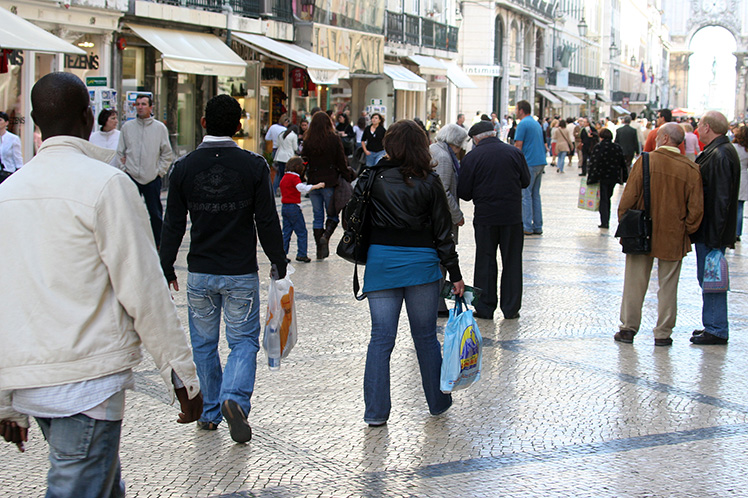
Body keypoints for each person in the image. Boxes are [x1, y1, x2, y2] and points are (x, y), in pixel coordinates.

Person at [0, 72, 202, 495]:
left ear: (36, 122)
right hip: (87, 382)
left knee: (101, 484)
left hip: (33, 379)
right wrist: (181, 373)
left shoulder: (8, 193)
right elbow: (144, 287)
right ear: (89, 118)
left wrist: (6, 400)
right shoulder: (107, 185)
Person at [160, 94, 288, 443]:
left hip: (200, 271)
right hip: (240, 271)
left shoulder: (183, 168)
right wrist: (279, 260)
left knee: (203, 343)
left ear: (203, 123)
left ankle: (211, 410)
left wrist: (166, 264)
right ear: (238, 127)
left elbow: (172, 223)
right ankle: (235, 397)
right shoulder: (253, 166)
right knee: (243, 341)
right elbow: (266, 219)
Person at [349, 119, 464, 427]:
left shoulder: (372, 177)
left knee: (381, 339)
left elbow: (351, 215)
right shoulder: (430, 181)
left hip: (382, 262)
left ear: (389, 144)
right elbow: (444, 233)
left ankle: (375, 412)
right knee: (426, 337)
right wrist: (454, 274)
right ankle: (438, 402)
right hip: (422, 266)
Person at [614, 123, 704, 346]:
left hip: (642, 232)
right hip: (674, 234)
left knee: (635, 282)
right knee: (668, 285)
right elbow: (696, 209)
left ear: (663, 138)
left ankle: (628, 328)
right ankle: (663, 333)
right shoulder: (691, 169)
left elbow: (628, 199)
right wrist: (686, 229)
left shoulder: (645, 162)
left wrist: (626, 225)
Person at [458, 120, 531, 320]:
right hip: (512, 217)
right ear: (494, 133)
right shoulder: (514, 153)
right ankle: (511, 308)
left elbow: (464, 193)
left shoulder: (472, 157)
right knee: (512, 261)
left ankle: (484, 307)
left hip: (485, 218)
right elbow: (525, 181)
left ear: (476, 139)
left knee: (485, 261)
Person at [690, 111, 741, 345]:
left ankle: (716, 328)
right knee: (710, 278)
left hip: (712, 230)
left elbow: (721, 199)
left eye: (700, 125)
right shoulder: (720, 150)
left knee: (712, 278)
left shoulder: (719, 154)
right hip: (712, 229)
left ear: (708, 127)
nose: (697, 129)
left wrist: (716, 238)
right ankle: (712, 324)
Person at [116, 94, 173, 247]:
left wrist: (159, 171)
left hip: (151, 177)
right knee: (129, 212)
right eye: (138, 104)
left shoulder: (159, 128)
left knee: (155, 213)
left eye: (143, 104)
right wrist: (124, 170)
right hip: (131, 176)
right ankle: (129, 243)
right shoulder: (127, 127)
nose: (140, 107)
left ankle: (158, 244)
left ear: (150, 107)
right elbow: (120, 152)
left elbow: (167, 153)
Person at [303, 111, 353, 259]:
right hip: (329, 181)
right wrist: (346, 175)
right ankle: (325, 236)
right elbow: (341, 160)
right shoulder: (333, 139)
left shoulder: (308, 139)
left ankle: (320, 249)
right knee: (332, 213)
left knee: (317, 215)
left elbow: (304, 159)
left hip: (313, 181)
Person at [430, 123, 468, 316]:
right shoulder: (444, 158)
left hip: (434, 216)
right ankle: (437, 303)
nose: (461, 149)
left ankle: (437, 301)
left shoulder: (434, 149)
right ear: (454, 142)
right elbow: (444, 191)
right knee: (443, 258)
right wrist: (457, 215)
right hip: (442, 217)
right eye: (460, 144)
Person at [280, 156, 325, 263]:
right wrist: (316, 186)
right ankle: (302, 254)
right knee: (301, 232)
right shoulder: (294, 177)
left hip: (285, 207)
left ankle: (282, 254)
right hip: (294, 207)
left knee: (286, 232)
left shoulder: (285, 177)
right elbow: (301, 188)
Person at [514, 100, 546, 236]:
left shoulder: (523, 124)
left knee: (525, 194)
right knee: (535, 195)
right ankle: (538, 226)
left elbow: (518, 146)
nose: (515, 112)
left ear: (521, 110)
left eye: (516, 109)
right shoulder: (535, 123)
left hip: (529, 162)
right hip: (540, 161)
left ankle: (527, 226)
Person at [587, 128, 627, 229]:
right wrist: (625, 177)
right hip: (613, 176)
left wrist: (590, 178)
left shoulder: (599, 147)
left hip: (601, 176)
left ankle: (604, 221)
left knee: (603, 199)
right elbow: (623, 163)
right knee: (608, 197)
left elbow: (593, 163)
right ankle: (605, 220)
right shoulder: (617, 147)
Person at [272, 124, 299, 196]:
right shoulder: (294, 135)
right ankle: (285, 190)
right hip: (288, 157)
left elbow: (277, 145)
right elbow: (295, 148)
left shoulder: (281, 134)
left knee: (280, 174)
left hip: (280, 156)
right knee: (288, 175)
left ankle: (275, 190)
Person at [732, 125, 748, 241]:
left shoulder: (733, 147)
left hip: (733, 176)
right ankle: (738, 232)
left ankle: (731, 230)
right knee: (740, 207)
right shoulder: (746, 150)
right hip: (744, 177)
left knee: (731, 205)